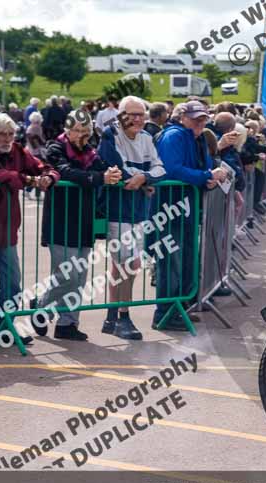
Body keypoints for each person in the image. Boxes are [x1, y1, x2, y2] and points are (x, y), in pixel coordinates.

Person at [0, 113, 59, 345]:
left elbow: (44, 166)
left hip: (7, 229)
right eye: (2, 134)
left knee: (12, 280)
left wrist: (48, 177)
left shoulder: (17, 150)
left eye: (11, 134)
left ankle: (5, 324)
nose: (7, 138)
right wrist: (27, 180)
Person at [38, 110, 123, 340]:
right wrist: (99, 178)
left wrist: (111, 173)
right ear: (67, 129)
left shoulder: (90, 151)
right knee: (66, 275)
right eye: (76, 130)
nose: (81, 136)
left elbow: (102, 167)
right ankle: (41, 308)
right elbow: (65, 172)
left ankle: (68, 324)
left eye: (85, 131)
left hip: (84, 220)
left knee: (80, 277)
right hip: (60, 220)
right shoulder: (55, 147)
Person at [97, 95, 166, 340]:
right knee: (131, 264)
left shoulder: (147, 137)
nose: (137, 119)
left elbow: (160, 167)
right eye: (132, 114)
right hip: (117, 207)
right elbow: (115, 166)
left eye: (141, 114)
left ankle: (112, 317)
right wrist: (141, 178)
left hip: (139, 209)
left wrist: (144, 178)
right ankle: (123, 316)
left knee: (122, 265)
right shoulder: (110, 134)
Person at [155, 101, 226, 331]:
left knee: (186, 261)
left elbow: (200, 168)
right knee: (171, 263)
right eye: (196, 117)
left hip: (186, 208)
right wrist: (206, 175)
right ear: (182, 117)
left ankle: (178, 309)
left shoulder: (199, 139)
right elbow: (171, 169)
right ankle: (165, 313)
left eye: (204, 118)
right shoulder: (173, 136)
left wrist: (210, 178)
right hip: (168, 209)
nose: (200, 121)